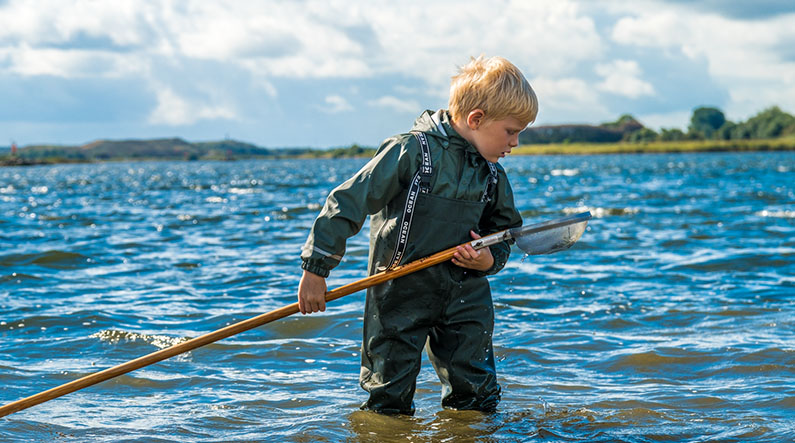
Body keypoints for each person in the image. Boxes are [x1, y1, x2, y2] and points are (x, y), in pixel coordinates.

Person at [297, 55, 538, 415]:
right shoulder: (409, 152)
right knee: (388, 399)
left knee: (477, 399)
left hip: (466, 296)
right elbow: (345, 203)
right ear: (476, 119)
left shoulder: (492, 175)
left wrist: (489, 259)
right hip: (399, 292)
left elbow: (503, 232)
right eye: (511, 131)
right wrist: (316, 270)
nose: (516, 142)